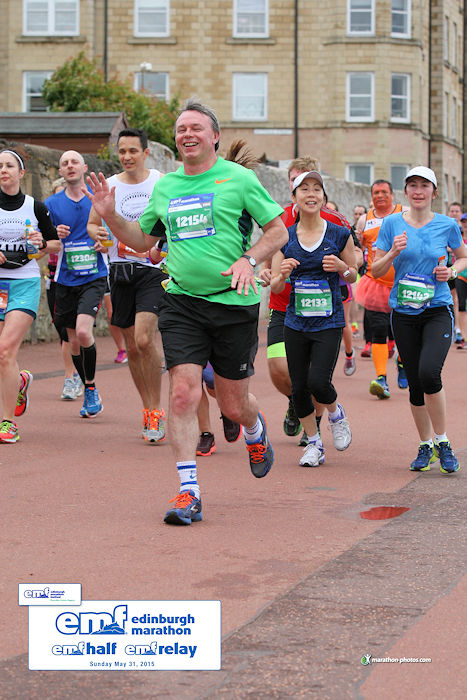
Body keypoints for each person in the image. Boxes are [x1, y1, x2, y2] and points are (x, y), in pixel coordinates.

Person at [84, 98, 288, 525]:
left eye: (196, 127)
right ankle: (187, 491)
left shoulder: (239, 179)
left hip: (234, 303)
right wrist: (111, 215)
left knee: (233, 404)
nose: (187, 134)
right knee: (182, 393)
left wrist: (248, 261)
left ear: (214, 136)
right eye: (181, 129)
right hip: (181, 301)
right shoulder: (167, 187)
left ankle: (254, 428)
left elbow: (277, 230)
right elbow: (141, 242)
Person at [259, 157, 360, 448]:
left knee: (317, 380)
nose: (310, 193)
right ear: (293, 190)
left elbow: (353, 272)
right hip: (285, 309)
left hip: (325, 316)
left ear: (324, 194)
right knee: (284, 372)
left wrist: (342, 267)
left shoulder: (338, 226)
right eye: (302, 185)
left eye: (315, 187)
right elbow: (271, 264)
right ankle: (299, 407)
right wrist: (270, 273)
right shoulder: (280, 222)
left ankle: (320, 421)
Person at [372, 166, 467, 473]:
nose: (418, 190)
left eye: (424, 185)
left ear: (434, 192)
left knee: (429, 373)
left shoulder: (446, 224)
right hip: (403, 311)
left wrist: (451, 272)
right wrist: (392, 253)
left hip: (437, 308)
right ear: (406, 191)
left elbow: (463, 256)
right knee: (414, 383)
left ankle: (443, 441)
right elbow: (375, 269)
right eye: (412, 185)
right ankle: (425, 444)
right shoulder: (391, 224)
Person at [88, 128, 168, 443]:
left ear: (145, 153)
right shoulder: (110, 186)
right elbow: (93, 223)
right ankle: (147, 408)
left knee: (146, 339)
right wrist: (96, 233)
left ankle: (158, 408)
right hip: (120, 271)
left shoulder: (161, 182)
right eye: (122, 151)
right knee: (132, 346)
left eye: (133, 150)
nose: (127, 157)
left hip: (154, 269)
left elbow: (172, 219)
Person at [0, 148, 60, 442]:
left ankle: (7, 422)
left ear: (21, 173)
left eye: (9, 165)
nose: (3, 170)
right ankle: (20, 381)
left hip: (24, 282)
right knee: (3, 357)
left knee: (4, 349)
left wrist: (41, 243)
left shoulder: (35, 207)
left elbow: (55, 244)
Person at [45, 150, 108, 418]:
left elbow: (112, 236)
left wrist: (102, 242)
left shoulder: (98, 199)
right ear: (60, 171)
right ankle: (87, 387)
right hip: (64, 279)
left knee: (84, 332)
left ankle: (91, 388)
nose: (70, 166)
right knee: (72, 341)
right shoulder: (50, 204)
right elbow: (44, 246)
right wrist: (54, 237)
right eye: (64, 163)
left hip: (93, 276)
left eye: (74, 162)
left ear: (84, 167)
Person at [355, 180, 407, 397]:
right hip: (375, 283)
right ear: (371, 196)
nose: (380, 196)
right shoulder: (364, 220)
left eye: (384, 192)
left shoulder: (404, 213)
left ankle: (403, 365)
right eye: (376, 192)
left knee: (404, 332)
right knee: (378, 330)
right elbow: (358, 246)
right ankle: (381, 378)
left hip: (403, 283)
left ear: (392, 195)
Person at [43, 177, 83, 400]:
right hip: (54, 279)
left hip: (79, 277)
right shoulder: (50, 223)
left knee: (78, 332)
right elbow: (38, 250)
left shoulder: (80, 218)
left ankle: (77, 376)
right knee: (64, 331)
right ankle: (72, 375)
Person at [447, 201, 464, 344]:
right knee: (451, 298)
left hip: (459, 268)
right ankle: (450, 325)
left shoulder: (462, 228)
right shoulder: (446, 227)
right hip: (446, 266)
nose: (454, 213)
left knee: (457, 299)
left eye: (456, 211)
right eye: (452, 211)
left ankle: (458, 328)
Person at [454, 213, 467, 348]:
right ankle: (463, 336)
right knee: (460, 304)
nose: (466, 224)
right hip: (461, 274)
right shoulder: (457, 237)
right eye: (464, 222)